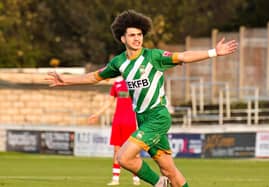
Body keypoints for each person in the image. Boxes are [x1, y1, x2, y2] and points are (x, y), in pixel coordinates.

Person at [46, 9, 238, 187]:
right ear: (122, 38)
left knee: (123, 157)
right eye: (132, 35)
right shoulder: (119, 62)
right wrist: (66, 81)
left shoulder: (153, 56)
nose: (137, 39)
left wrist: (213, 52)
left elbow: (183, 56)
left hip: (158, 117)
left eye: (140, 34)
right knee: (168, 170)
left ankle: (158, 184)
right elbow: (94, 77)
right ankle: (165, 181)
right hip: (143, 119)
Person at [88, 77, 140, 186]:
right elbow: (109, 102)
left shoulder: (136, 83)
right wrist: (97, 114)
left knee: (135, 152)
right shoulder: (117, 84)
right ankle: (115, 179)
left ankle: (136, 178)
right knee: (116, 151)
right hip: (118, 121)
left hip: (131, 122)